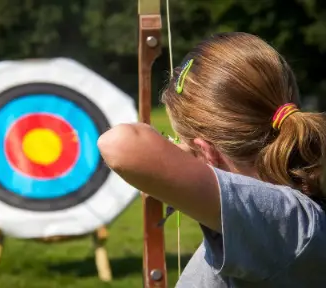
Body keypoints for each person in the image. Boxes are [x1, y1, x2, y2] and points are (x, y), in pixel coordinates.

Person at [97, 32, 326, 287]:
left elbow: (120, 144)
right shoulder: (294, 216)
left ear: (206, 151)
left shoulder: (285, 223)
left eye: (179, 140)